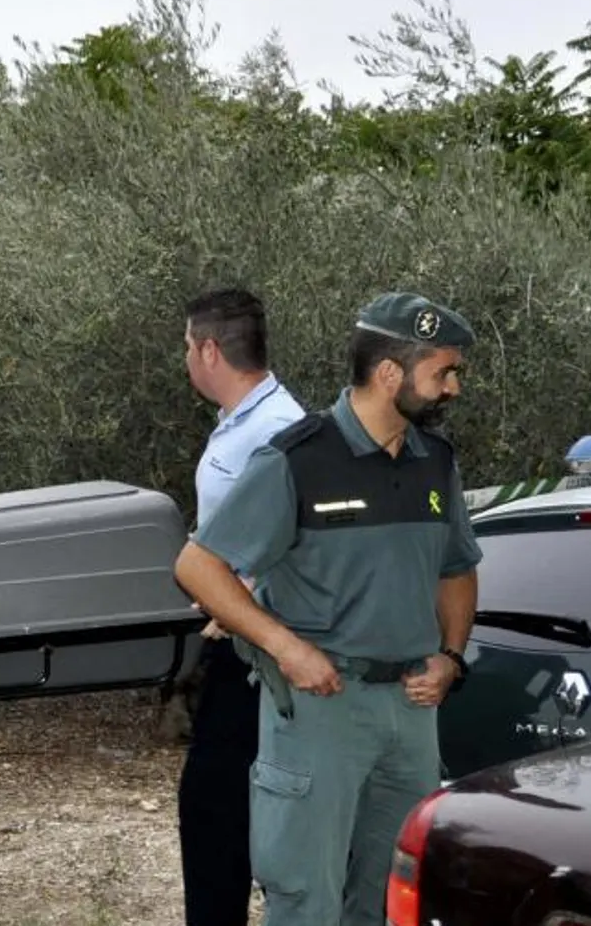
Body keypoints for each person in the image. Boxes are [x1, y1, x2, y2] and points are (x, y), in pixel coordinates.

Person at [172, 291, 482, 926]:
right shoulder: (298, 458)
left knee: (390, 896)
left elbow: (456, 568)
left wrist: (451, 655)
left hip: (411, 711)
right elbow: (199, 566)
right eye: (442, 372)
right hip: (321, 709)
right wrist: (287, 648)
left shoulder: (436, 464)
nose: (452, 388)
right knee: (305, 898)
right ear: (391, 373)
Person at [175, 288, 306, 926]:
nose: (186, 361)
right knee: (213, 809)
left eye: (186, 347)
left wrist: (235, 601)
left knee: (217, 810)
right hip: (236, 640)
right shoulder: (243, 422)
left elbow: (293, 541)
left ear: (208, 348)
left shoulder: (276, 431)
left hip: (260, 652)